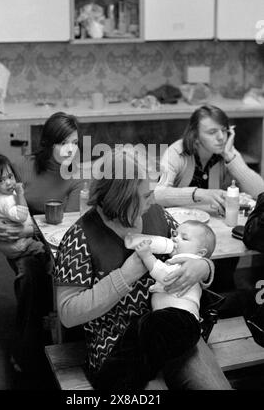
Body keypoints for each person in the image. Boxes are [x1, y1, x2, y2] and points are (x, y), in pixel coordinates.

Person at [54, 147, 231, 390]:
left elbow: (195, 247)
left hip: (170, 331)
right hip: (117, 346)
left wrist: (203, 267)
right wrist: (126, 275)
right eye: (146, 195)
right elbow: (67, 313)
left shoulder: (157, 216)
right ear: (120, 199)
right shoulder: (80, 238)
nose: (153, 199)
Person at [0, 112, 83, 373]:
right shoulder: (21, 166)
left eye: (74, 142)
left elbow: (66, 225)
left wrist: (28, 229)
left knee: (62, 277)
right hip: (21, 244)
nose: (70, 149)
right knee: (31, 276)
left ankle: (65, 344)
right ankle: (27, 350)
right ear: (49, 143)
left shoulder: (75, 175)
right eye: (63, 142)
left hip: (52, 241)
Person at [154, 104, 264, 293]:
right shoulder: (177, 152)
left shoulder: (225, 151)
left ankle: (221, 294)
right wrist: (199, 194)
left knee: (227, 261)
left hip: (213, 228)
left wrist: (230, 157)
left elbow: (260, 192)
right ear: (195, 136)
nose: (221, 137)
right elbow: (157, 194)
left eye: (223, 130)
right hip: (180, 230)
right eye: (212, 132)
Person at [126, 220, 215, 372]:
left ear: (200, 253)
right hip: (176, 323)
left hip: (179, 319)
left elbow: (164, 275)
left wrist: (147, 255)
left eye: (184, 238)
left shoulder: (186, 262)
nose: (175, 238)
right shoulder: (185, 261)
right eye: (175, 234)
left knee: (145, 330)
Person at [0, 154, 45, 262]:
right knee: (43, 251)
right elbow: (21, 216)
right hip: (19, 243)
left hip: (17, 238)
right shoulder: (6, 201)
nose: (8, 183)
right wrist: (20, 194)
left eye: (10, 177)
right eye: (1, 180)